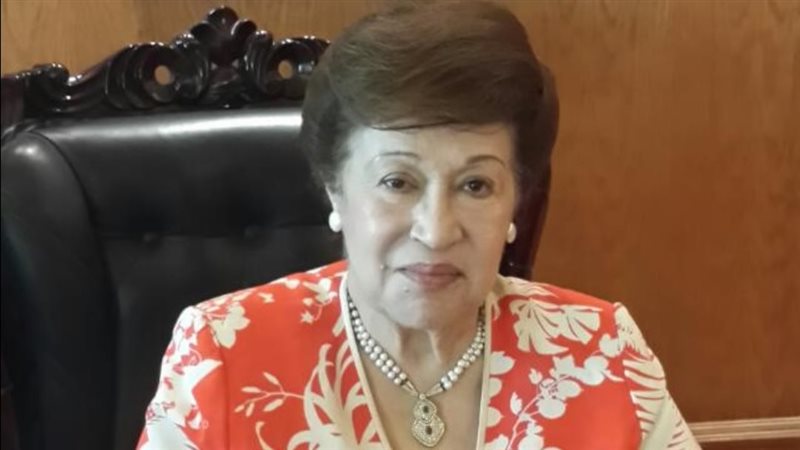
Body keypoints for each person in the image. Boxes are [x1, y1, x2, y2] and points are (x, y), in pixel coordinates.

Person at [137, 2, 698, 449]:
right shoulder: (222, 352)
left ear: (516, 201)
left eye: (475, 185)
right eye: (398, 182)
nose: (436, 231)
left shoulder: (602, 351)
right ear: (335, 188)